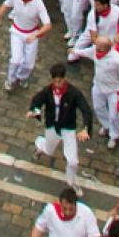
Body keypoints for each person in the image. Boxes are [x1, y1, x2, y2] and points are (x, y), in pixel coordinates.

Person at [28, 64, 93, 196]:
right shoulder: (47, 91)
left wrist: (86, 128)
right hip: (52, 126)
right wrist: (34, 111)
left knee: (73, 160)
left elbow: (86, 110)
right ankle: (40, 146)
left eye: (60, 81)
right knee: (49, 150)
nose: (57, 84)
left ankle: (71, 182)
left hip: (68, 128)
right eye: (55, 81)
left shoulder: (74, 93)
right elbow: (36, 101)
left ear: (64, 78)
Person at [71, 36, 119, 149]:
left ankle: (114, 135)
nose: (95, 48)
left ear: (104, 49)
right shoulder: (95, 50)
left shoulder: (117, 60)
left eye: (98, 47)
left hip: (114, 90)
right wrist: (75, 51)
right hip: (98, 86)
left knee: (114, 115)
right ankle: (106, 125)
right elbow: (85, 52)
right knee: (98, 107)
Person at [0, 0, 53, 91]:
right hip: (17, 32)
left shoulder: (38, 3)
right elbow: (5, 5)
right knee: (16, 59)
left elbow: (48, 25)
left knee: (29, 64)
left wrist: (36, 35)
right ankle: (10, 80)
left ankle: (22, 77)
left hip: (32, 34)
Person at [28, 187, 102, 237]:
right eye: (65, 208)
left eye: (71, 209)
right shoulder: (50, 210)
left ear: (76, 204)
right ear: (60, 203)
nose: (68, 212)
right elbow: (40, 227)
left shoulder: (86, 213)